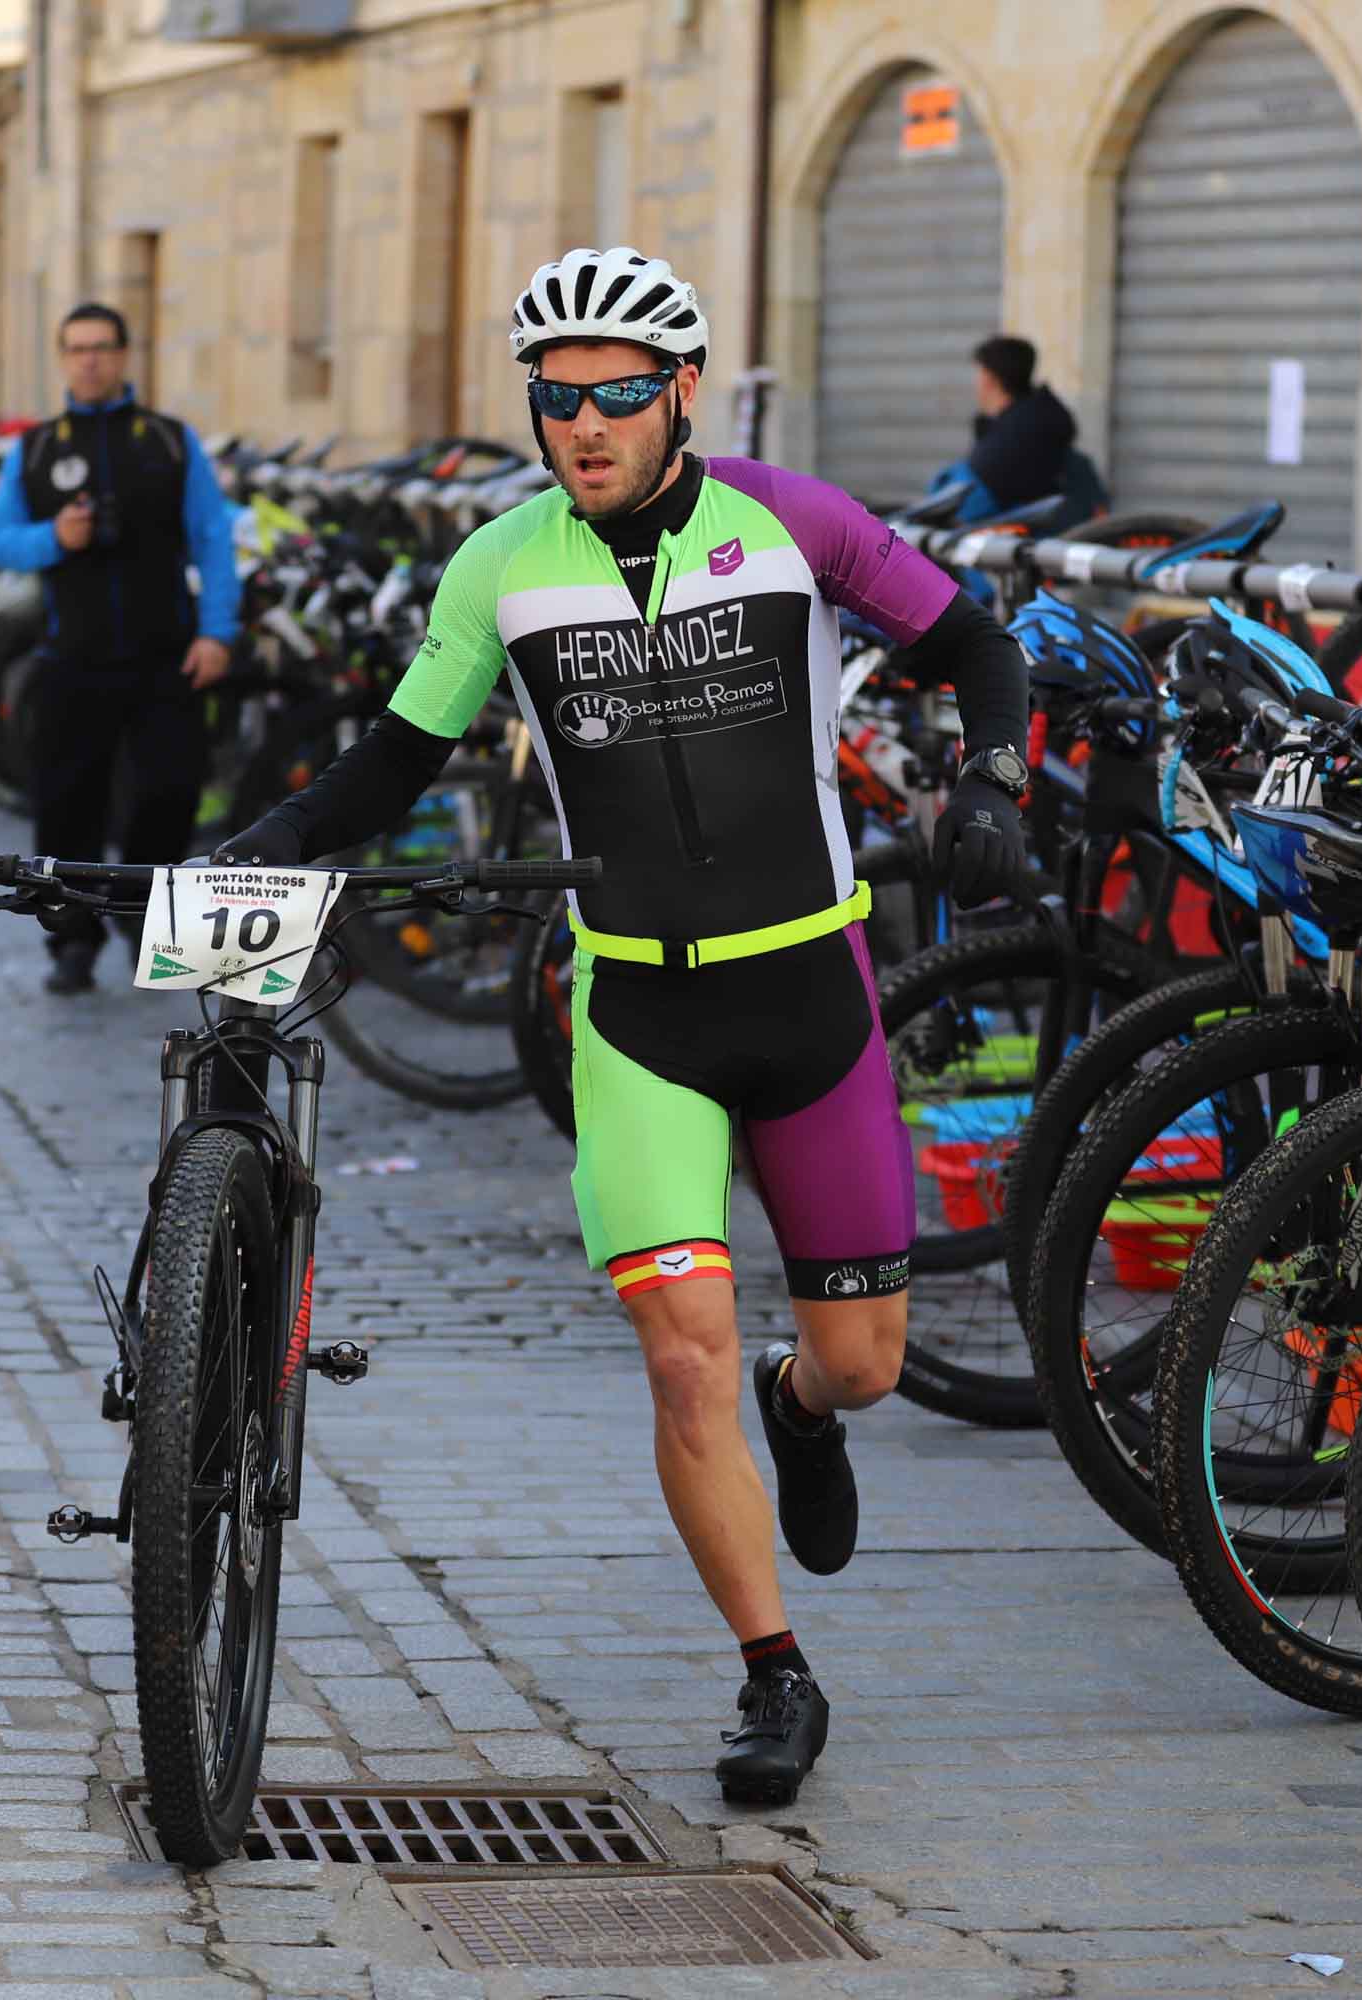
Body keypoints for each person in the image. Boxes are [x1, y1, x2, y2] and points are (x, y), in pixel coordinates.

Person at [215, 247, 1031, 1807]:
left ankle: (806, 1414)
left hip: (810, 992)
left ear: (678, 395)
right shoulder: (500, 565)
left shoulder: (796, 525)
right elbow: (391, 764)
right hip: (638, 1009)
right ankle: (771, 1674)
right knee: (679, 1360)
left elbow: (977, 647)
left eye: (614, 395)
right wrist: (260, 845)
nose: (581, 424)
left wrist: (987, 779)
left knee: (863, 1364)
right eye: (554, 397)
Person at [0, 303, 240, 995]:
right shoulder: (35, 450)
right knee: (68, 807)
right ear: (62, 359)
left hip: (166, 655)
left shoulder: (169, 442)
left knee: (170, 795)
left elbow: (215, 541)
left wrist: (218, 632)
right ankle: (73, 941)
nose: (89, 360)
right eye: (76, 349)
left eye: (102, 347)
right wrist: (51, 540)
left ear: (124, 356)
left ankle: (143, 924)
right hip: (73, 657)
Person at [961, 335, 1076, 514]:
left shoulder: (1009, 439)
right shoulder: (1043, 418)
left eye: (979, 374)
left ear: (989, 379)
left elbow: (970, 505)